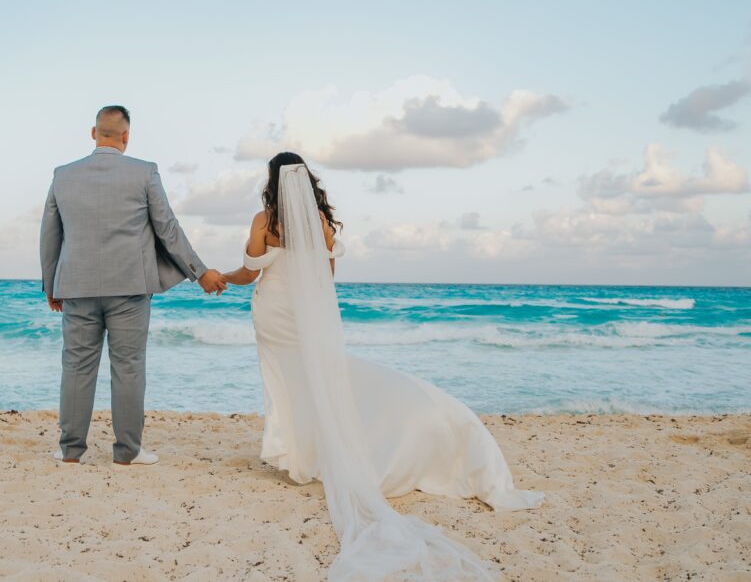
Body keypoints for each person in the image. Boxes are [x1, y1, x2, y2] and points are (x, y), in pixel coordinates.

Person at [221, 151, 543, 580]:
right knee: (322, 378)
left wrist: (219, 277)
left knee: (290, 383)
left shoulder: (264, 222)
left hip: (274, 313)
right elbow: (325, 278)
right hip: (304, 316)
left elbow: (248, 273)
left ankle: (302, 456)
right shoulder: (318, 221)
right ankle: (316, 453)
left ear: (273, 180)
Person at [40, 105, 227, 466]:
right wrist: (200, 272)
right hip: (129, 287)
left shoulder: (63, 175)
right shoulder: (144, 172)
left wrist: (52, 285)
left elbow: (50, 235)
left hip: (76, 286)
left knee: (77, 366)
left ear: (93, 133)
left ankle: (70, 451)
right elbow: (167, 228)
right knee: (128, 365)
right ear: (126, 136)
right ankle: (127, 451)